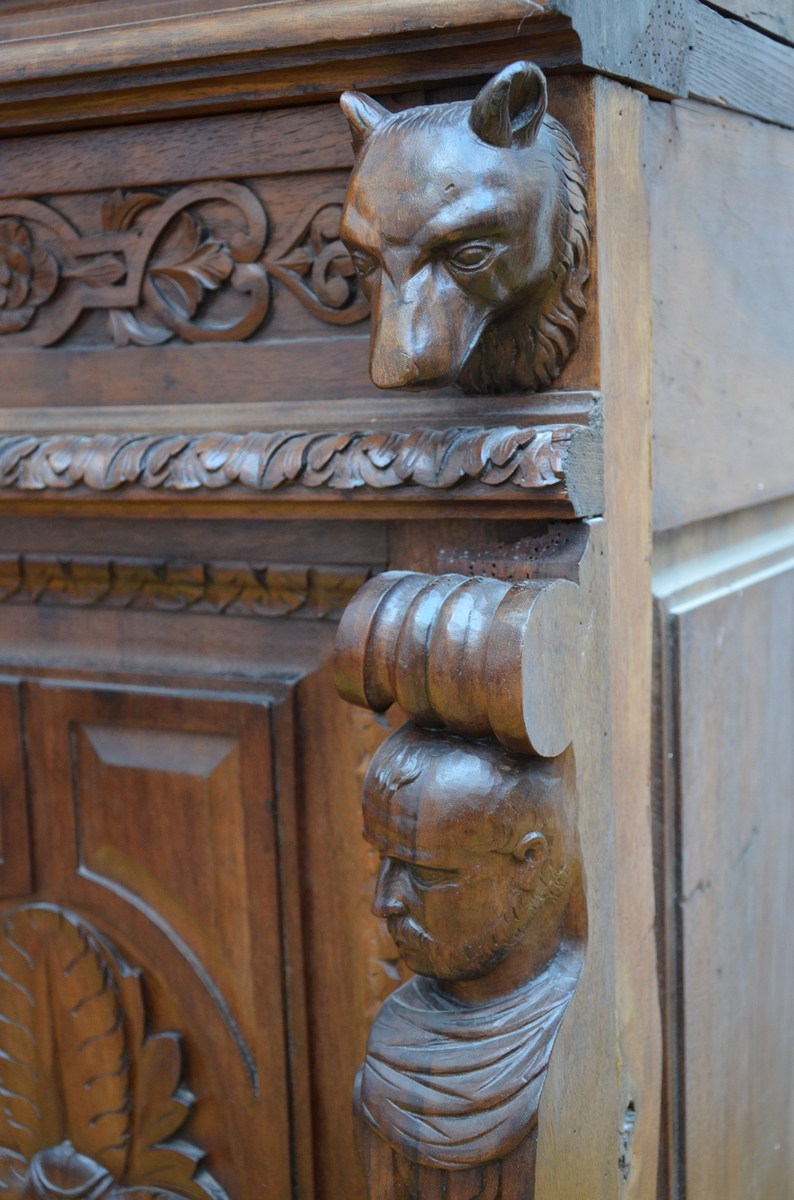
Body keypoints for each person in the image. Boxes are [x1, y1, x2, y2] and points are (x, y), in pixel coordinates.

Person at [355, 723, 585, 1200]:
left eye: (425, 873)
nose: (384, 902)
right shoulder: (394, 1035)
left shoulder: (578, 1035)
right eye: (382, 859)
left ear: (529, 862)